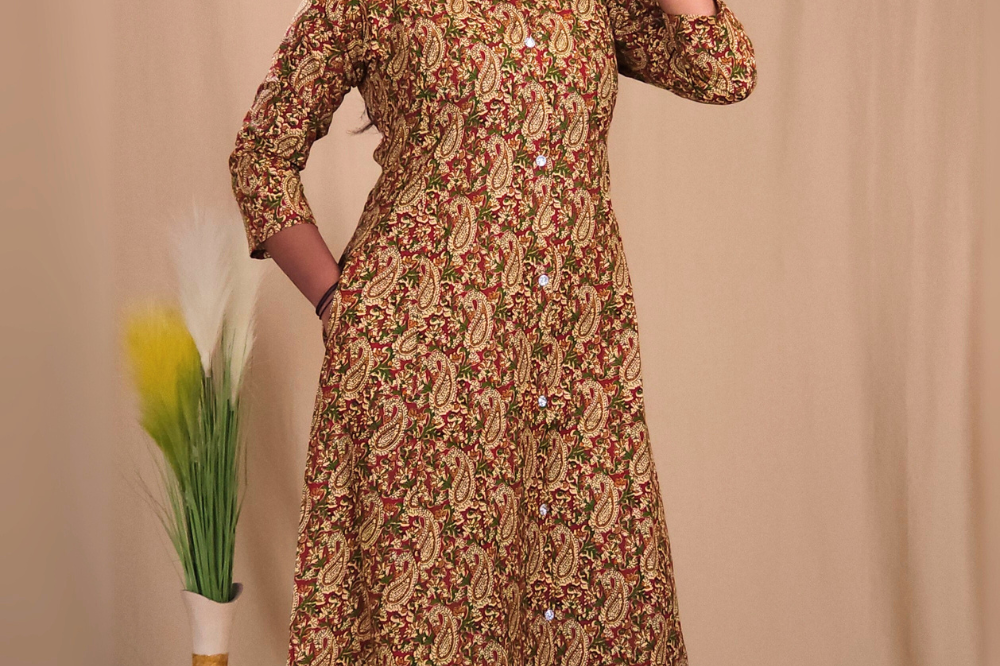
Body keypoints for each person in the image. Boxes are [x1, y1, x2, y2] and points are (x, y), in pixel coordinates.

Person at [228, 0, 756, 662]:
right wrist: (338, 302)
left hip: (575, 365)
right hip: (429, 363)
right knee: (437, 618)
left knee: (600, 606)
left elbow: (723, 71)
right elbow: (259, 158)